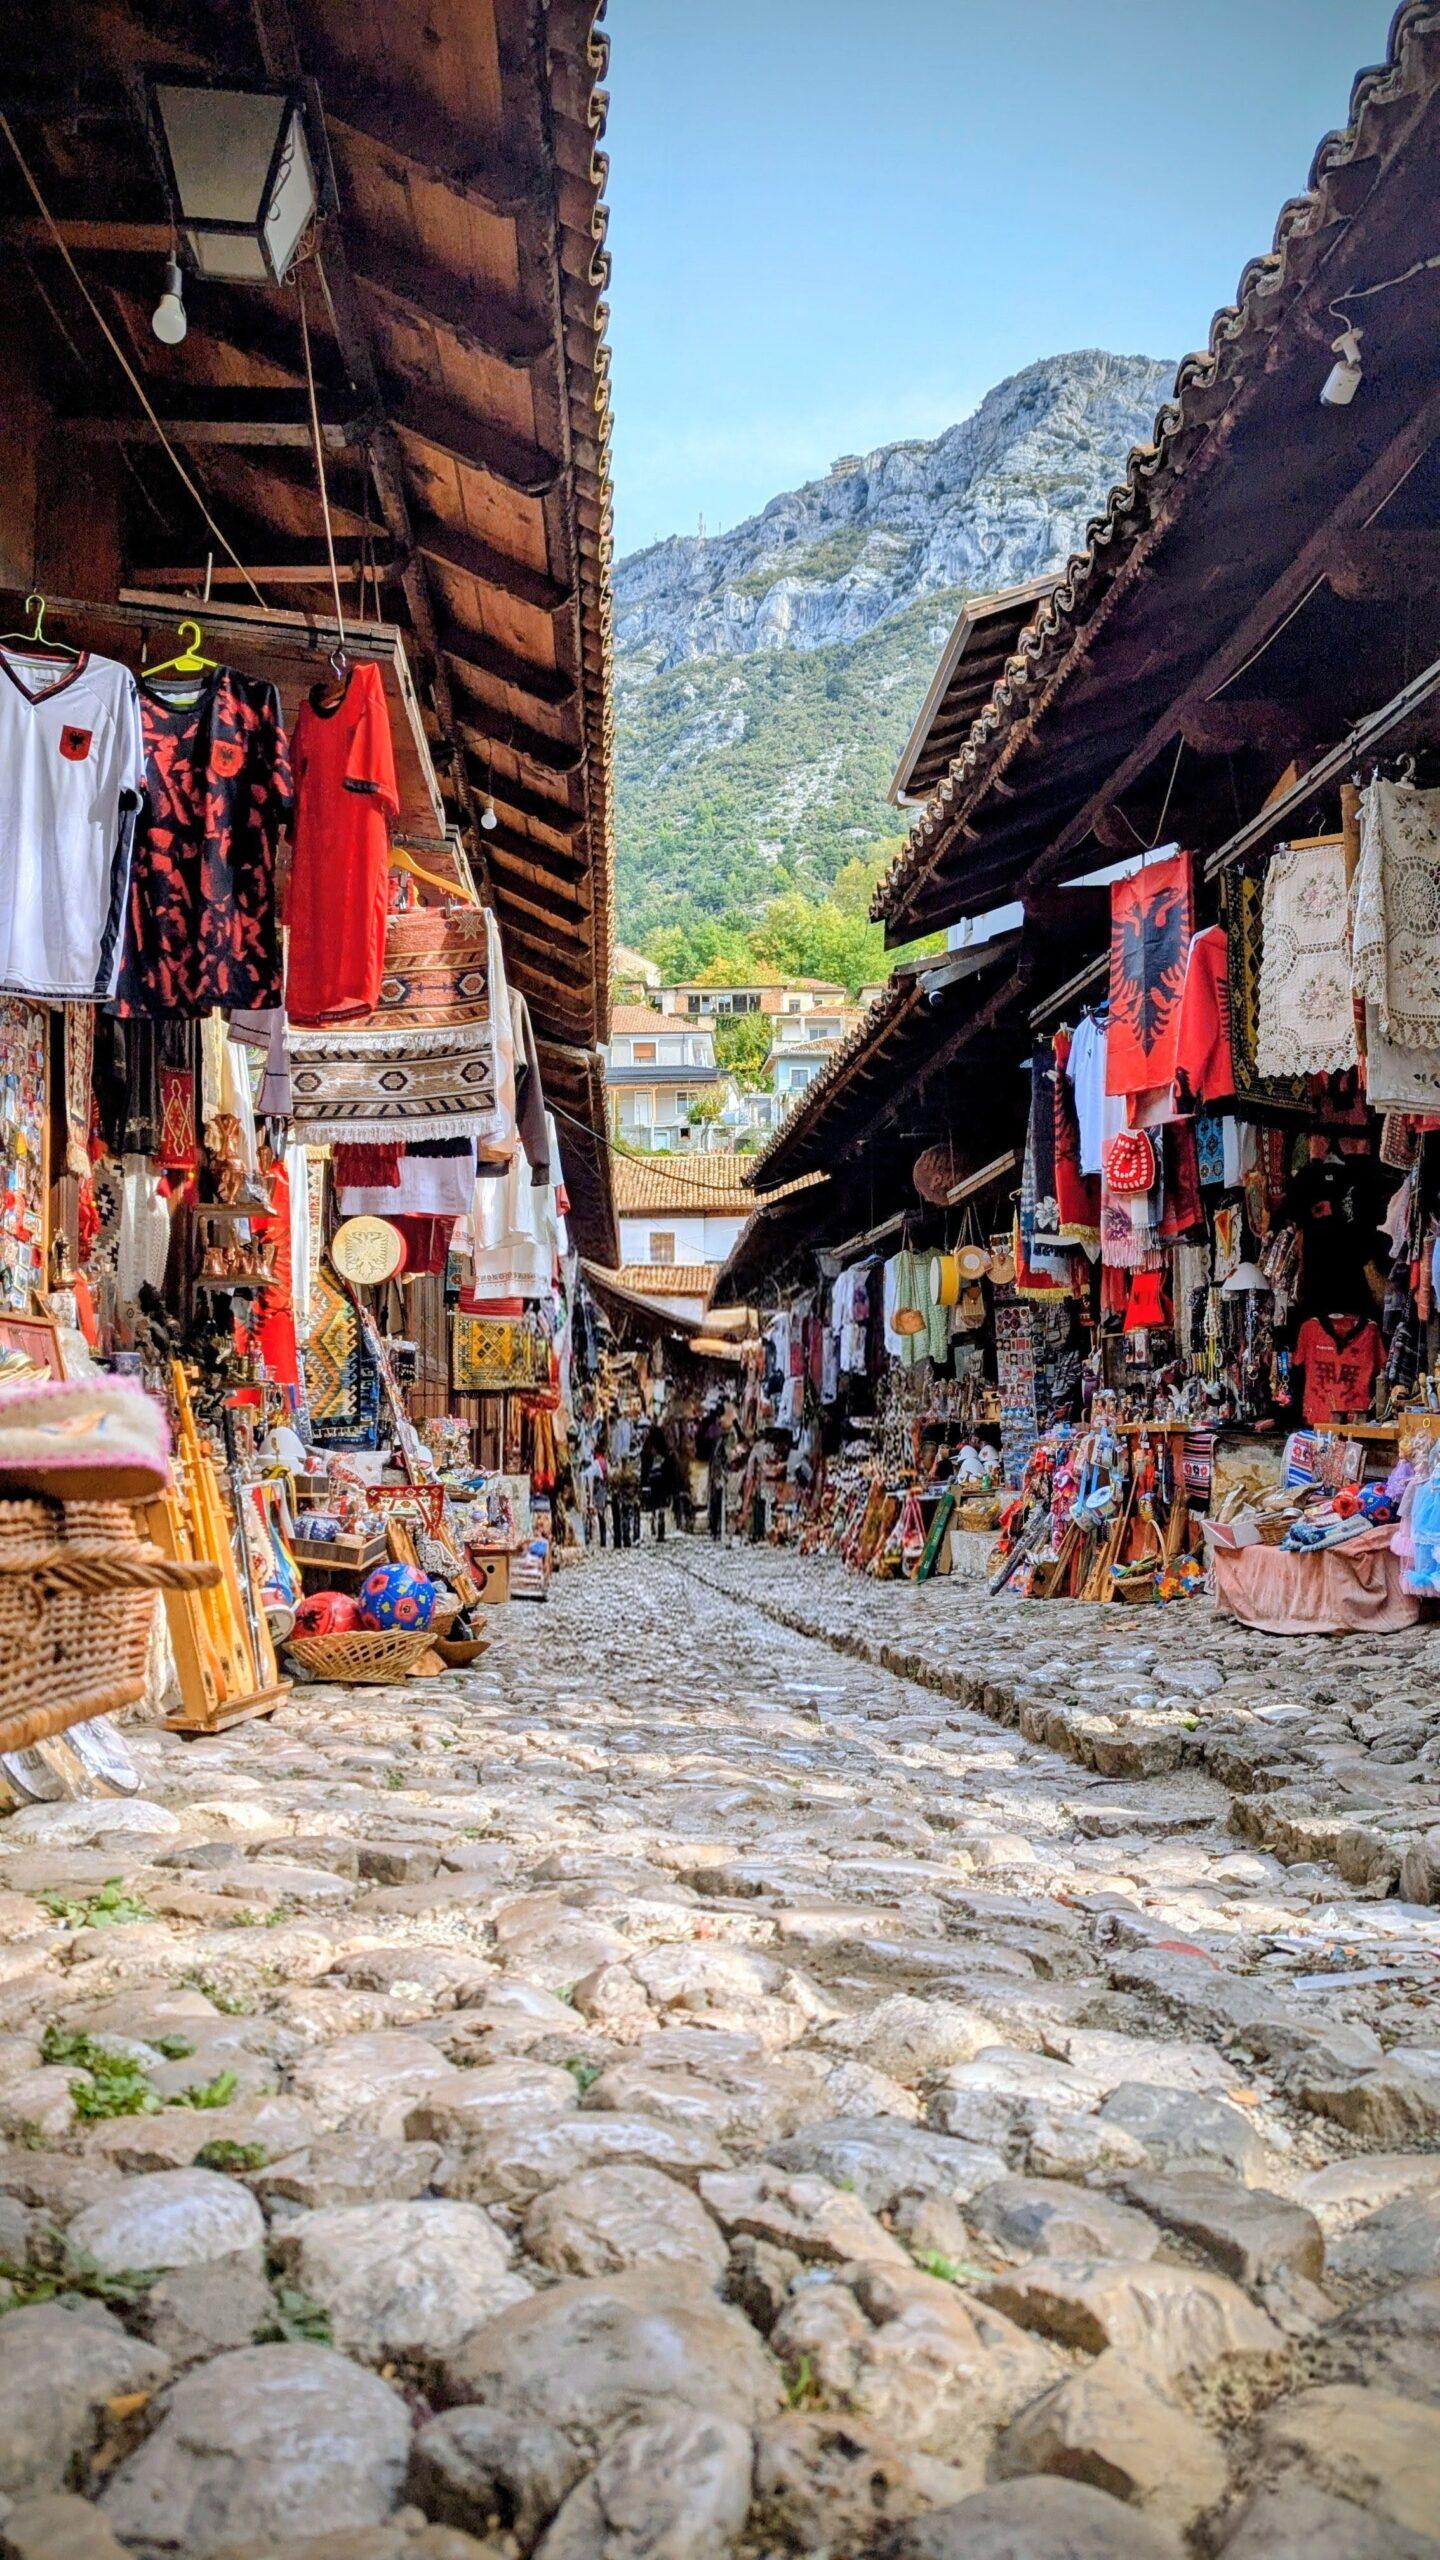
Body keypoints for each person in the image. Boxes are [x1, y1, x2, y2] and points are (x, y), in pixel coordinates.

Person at [640, 1418, 679, 1541]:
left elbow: (644, 1469)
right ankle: (659, 1528)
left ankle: (655, 1525)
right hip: (661, 1481)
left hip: (654, 1481)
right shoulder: (665, 1454)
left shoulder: (648, 1451)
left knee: (655, 1505)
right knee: (660, 1506)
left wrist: (644, 1483)